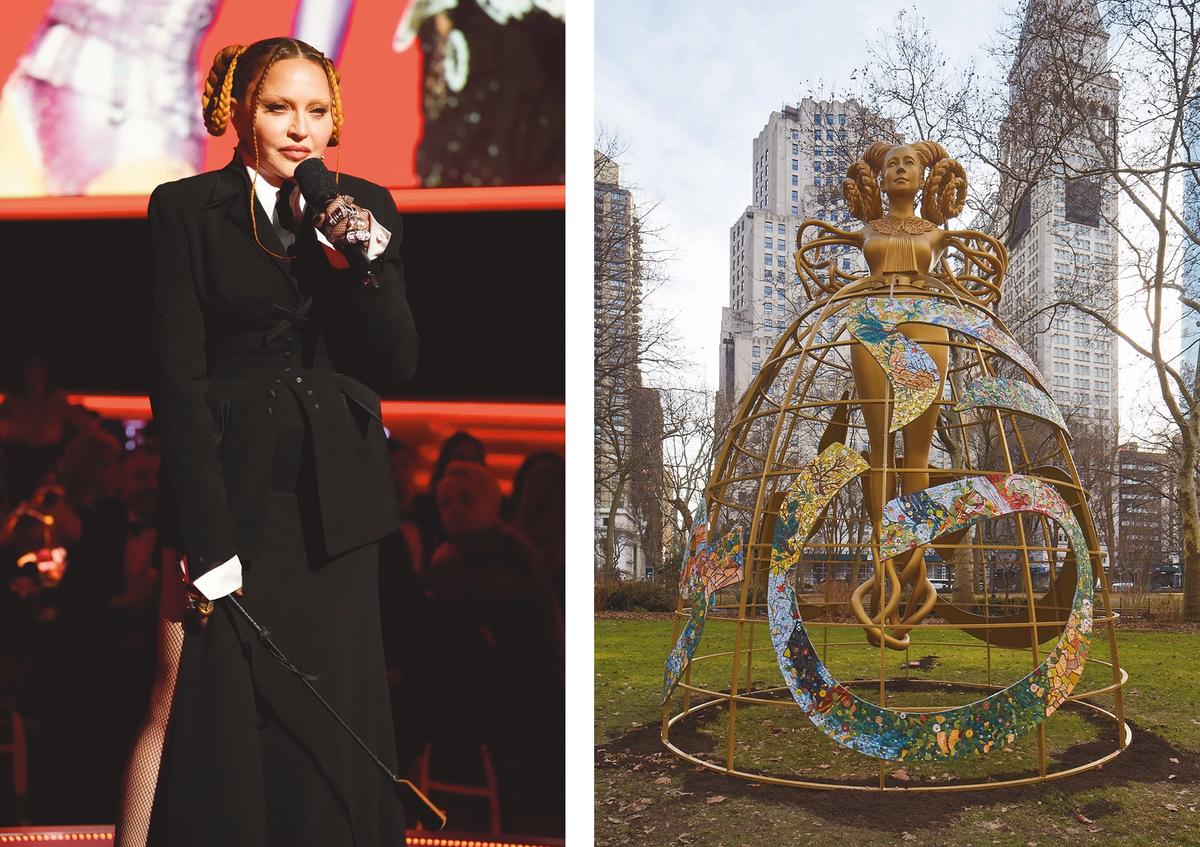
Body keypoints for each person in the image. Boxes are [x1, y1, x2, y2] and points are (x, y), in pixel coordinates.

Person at [114, 37, 418, 847]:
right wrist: (208, 538)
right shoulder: (185, 207)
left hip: (336, 507)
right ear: (241, 114)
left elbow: (396, 360)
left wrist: (356, 256)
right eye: (280, 107)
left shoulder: (362, 209)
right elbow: (176, 380)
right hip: (226, 492)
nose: (299, 129)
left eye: (316, 111)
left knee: (330, 716)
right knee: (180, 696)